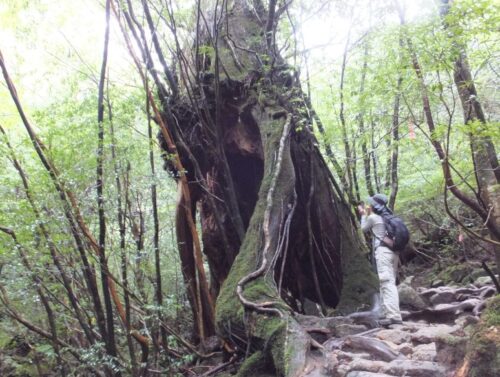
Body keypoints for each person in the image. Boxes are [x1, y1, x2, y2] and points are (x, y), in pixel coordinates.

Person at [358, 193, 402, 326]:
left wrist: (363, 215)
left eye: (370, 203)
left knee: (387, 283)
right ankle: (385, 313)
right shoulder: (389, 217)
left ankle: (394, 317)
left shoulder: (373, 217)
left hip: (383, 252)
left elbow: (362, 230)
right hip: (394, 253)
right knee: (387, 282)